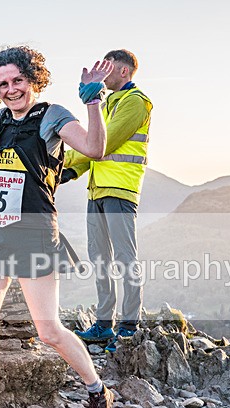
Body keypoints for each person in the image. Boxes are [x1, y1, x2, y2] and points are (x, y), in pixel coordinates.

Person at [0, 46, 115, 408]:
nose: (11, 89)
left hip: (34, 235)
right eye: (3, 83)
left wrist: (93, 101)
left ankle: (97, 390)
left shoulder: (52, 115)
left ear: (33, 80)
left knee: (49, 331)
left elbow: (95, 149)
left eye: (18, 80)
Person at [63, 49, 153, 352]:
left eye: (108, 68)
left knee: (126, 259)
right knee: (99, 258)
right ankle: (103, 324)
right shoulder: (109, 103)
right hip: (97, 191)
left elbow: (103, 144)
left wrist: (64, 160)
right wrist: (70, 171)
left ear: (124, 71)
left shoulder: (136, 102)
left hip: (120, 190)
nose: (102, 74)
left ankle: (128, 327)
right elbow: (92, 149)